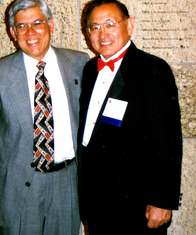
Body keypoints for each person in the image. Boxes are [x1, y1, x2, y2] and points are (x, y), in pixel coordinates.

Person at [0, 0, 89, 234]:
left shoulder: (79, 63)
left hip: (67, 186)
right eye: (21, 26)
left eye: (37, 23)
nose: (30, 32)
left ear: (51, 25)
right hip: (17, 189)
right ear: (13, 33)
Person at [78, 0, 183, 234]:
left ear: (130, 25)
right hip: (97, 204)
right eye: (94, 27)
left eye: (110, 24)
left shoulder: (153, 70)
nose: (102, 34)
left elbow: (168, 140)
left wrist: (163, 200)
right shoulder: (89, 71)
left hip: (137, 208)